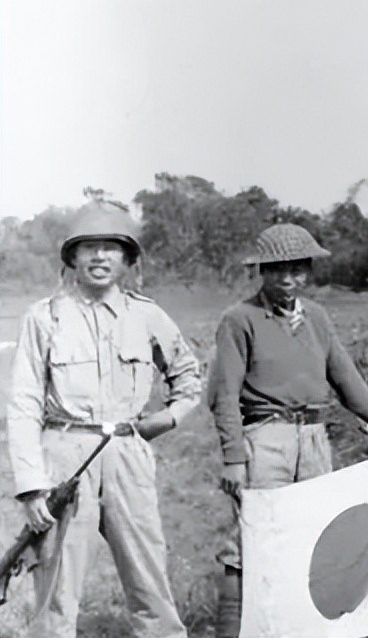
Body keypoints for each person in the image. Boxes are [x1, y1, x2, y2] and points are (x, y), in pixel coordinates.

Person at [5, 201, 201, 637]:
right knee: (56, 587)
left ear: (128, 260)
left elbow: (189, 378)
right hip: (65, 457)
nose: (99, 257)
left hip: (127, 454)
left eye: (111, 248)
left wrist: (160, 423)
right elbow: (23, 403)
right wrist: (32, 486)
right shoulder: (45, 317)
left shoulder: (147, 315)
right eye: (88, 248)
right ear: (71, 258)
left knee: (150, 579)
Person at [208, 223, 368, 638]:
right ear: (261, 272)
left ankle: (292, 627)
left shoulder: (316, 317)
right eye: (277, 270)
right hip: (266, 438)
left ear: (308, 272)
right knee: (251, 542)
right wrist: (233, 457)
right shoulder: (239, 320)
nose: (288, 279)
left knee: (309, 539)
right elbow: (224, 395)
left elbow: (347, 381)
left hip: (314, 439)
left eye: (297, 270)